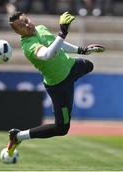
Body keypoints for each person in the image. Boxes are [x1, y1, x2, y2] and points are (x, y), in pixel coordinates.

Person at [6, 11, 105, 156]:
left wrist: (81, 50)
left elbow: (58, 44)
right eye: (22, 26)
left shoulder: (40, 28)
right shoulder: (28, 46)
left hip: (71, 67)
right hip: (59, 86)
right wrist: (63, 32)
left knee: (89, 65)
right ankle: (18, 136)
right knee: (62, 129)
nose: (27, 25)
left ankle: (77, 67)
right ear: (17, 32)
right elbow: (47, 54)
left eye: (26, 20)